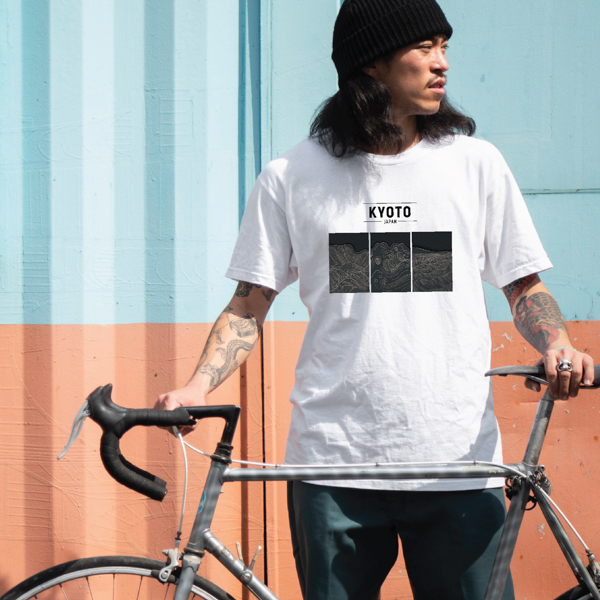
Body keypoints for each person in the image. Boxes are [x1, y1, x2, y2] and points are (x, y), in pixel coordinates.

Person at [156, 1, 595, 598]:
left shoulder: (475, 165)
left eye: (444, 46)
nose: (442, 63)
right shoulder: (292, 176)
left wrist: (558, 342)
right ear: (370, 64)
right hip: (333, 466)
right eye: (424, 48)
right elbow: (248, 305)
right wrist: (196, 387)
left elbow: (524, 285)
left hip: (457, 463)